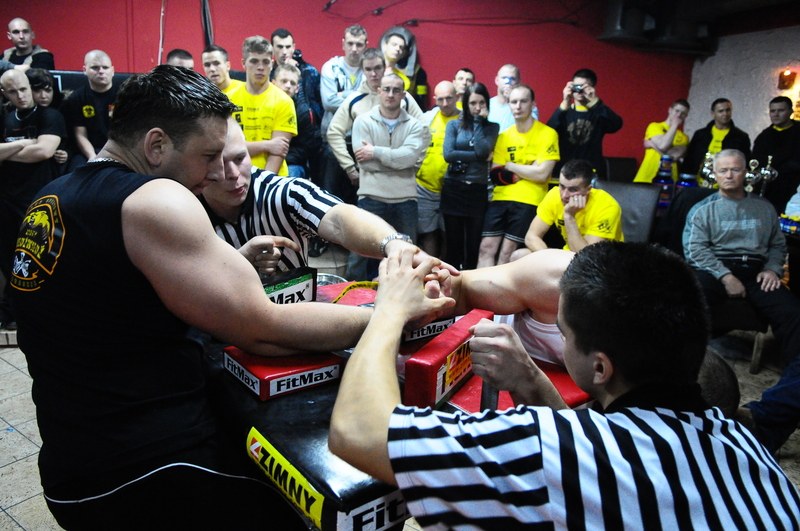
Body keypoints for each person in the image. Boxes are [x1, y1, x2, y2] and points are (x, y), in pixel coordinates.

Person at [8, 65, 387, 529]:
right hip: (150, 471)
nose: (216, 173)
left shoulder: (52, 196)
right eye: (208, 156)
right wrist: (388, 314)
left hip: (72, 463)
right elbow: (264, 330)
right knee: (310, 509)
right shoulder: (154, 200)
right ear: (156, 145)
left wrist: (224, 269)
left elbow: (108, 303)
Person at [329, 241, 800, 528]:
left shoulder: (546, 449)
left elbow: (359, 431)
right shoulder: (750, 448)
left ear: (600, 369)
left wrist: (390, 310)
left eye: (564, 332)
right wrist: (531, 380)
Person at [202, 115, 424, 277]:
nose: (233, 174)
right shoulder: (186, 207)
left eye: (240, 158)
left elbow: (339, 219)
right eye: (220, 164)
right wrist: (237, 264)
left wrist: (394, 245)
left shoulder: (281, 192)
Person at [684, 148, 800, 453]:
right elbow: (695, 250)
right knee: (689, 296)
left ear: (746, 173)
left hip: (757, 271)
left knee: (792, 313)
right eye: (723, 170)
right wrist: (725, 276)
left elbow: (777, 245)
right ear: (715, 174)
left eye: (735, 169)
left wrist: (773, 269)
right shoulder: (704, 209)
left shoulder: (764, 208)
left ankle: (793, 380)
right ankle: (686, 368)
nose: (729, 175)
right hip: (715, 269)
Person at [0, 69, 65, 331]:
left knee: (42, 257)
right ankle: (12, 313)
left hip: (39, 197)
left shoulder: (50, 116)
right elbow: (34, 148)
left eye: (24, 89)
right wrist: (25, 143)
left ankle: (47, 312)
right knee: (9, 257)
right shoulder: (5, 119)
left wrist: (7, 151)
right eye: (13, 92)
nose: (21, 95)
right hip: (7, 197)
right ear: (5, 94)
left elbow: (44, 151)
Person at [347, 73, 427, 280]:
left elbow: (409, 158)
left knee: (407, 256)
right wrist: (397, 160)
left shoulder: (415, 126)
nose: (391, 94)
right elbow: (365, 162)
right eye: (386, 89)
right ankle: (349, 295)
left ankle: (401, 295)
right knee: (359, 255)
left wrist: (375, 152)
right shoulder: (363, 121)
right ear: (378, 91)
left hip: (405, 200)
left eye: (396, 90)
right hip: (370, 196)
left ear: (403, 95)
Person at [326, 48, 423, 205]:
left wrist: (415, 164)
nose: (373, 74)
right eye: (368, 69)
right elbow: (333, 132)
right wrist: (350, 168)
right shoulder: (355, 100)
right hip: (369, 182)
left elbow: (424, 129)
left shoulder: (402, 97)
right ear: (362, 70)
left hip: (401, 180)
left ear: (384, 68)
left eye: (377, 68)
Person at [477, 84, 559, 267]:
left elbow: (542, 174)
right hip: (500, 198)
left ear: (533, 104)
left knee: (508, 252)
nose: (518, 106)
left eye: (523, 101)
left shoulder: (548, 134)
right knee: (486, 247)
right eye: (514, 102)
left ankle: (501, 287)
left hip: (530, 200)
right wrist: (529, 168)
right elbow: (497, 175)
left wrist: (511, 166)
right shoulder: (503, 136)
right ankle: (481, 286)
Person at [512, 158, 623, 259]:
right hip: (567, 257)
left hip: (601, 263)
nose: (564, 195)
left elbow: (586, 257)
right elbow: (531, 237)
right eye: (562, 186)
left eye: (573, 190)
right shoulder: (554, 195)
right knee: (519, 256)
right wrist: (549, 260)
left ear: (588, 189)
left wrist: (569, 217)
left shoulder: (607, 207)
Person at [441, 82, 498, 270]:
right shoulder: (454, 125)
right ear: (466, 104)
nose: (477, 107)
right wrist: (478, 157)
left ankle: (469, 282)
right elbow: (448, 154)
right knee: (453, 244)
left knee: (473, 245)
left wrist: (478, 122)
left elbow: (482, 150)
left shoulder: (492, 127)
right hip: (454, 188)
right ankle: (451, 281)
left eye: (481, 103)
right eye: (473, 103)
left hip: (476, 190)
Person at [229, 35, 297, 176]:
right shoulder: (229, 100)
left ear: (271, 64)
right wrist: (267, 145)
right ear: (243, 63)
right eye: (254, 61)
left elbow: (278, 152)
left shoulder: (284, 101)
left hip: (271, 181)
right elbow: (228, 147)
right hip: (234, 176)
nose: (260, 67)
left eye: (265, 62)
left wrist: (262, 184)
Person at [546, 68, 623, 180]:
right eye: (576, 86)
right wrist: (564, 104)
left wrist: (595, 102)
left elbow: (616, 124)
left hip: (591, 172)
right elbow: (548, 133)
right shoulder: (564, 112)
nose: (579, 91)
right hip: (564, 171)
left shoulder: (598, 113)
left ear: (592, 88)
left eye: (584, 87)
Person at [416, 80, 460, 257]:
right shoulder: (427, 118)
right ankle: (430, 269)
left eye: (449, 98)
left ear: (457, 97)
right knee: (427, 232)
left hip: (453, 189)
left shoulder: (465, 120)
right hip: (424, 186)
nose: (445, 103)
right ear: (435, 99)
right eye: (440, 99)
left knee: (448, 233)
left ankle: (445, 269)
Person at [62, 50, 118, 170]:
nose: (101, 71)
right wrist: (93, 157)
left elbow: (129, 131)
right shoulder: (77, 98)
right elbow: (80, 134)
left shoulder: (125, 94)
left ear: (112, 71)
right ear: (84, 70)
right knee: (77, 171)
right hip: (89, 150)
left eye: (105, 67)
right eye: (95, 68)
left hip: (119, 149)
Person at [272, 63, 322, 179]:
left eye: (292, 83)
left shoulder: (304, 112)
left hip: (291, 162)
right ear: (273, 83)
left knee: (291, 171)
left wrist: (278, 158)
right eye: (284, 81)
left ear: (297, 89)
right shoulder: (262, 104)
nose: (288, 86)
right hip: (262, 155)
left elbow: (305, 150)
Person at [752, 96, 800, 214]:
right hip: (768, 192)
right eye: (772, 111)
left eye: (781, 110)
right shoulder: (764, 136)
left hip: (793, 189)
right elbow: (755, 163)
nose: (776, 114)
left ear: (791, 111)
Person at [682, 98, 751, 176]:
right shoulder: (700, 134)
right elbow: (689, 160)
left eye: (728, 110)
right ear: (713, 114)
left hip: (727, 180)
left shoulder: (741, 137)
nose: (725, 114)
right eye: (721, 111)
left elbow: (745, 163)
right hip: (698, 180)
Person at [319, 24, 368, 136]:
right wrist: (360, 100)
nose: (354, 49)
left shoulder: (371, 70)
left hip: (362, 135)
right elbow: (329, 103)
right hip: (333, 134)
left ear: (366, 46)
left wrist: (343, 94)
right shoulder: (330, 67)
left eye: (359, 45)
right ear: (343, 44)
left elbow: (373, 103)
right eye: (350, 43)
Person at [270, 28, 323, 122]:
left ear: (293, 47)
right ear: (272, 48)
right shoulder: (267, 72)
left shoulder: (308, 72)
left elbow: (320, 104)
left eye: (288, 47)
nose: (284, 52)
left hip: (304, 123)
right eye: (280, 47)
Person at [633, 99, 690, 183]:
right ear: (670, 110)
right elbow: (662, 146)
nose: (679, 115)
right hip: (646, 177)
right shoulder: (654, 126)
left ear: (686, 116)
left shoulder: (684, 137)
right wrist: (668, 148)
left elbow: (671, 156)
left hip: (669, 180)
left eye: (683, 113)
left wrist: (652, 145)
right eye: (677, 111)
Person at [380, 26, 428, 111]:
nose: (397, 49)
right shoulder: (372, 69)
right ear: (385, 45)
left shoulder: (409, 76)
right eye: (394, 44)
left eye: (401, 47)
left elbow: (419, 104)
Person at [487, 64, 537, 131]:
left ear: (518, 82)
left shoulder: (527, 105)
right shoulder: (487, 105)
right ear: (497, 80)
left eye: (512, 79)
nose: (508, 82)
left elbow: (531, 128)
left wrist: (512, 99)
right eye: (504, 78)